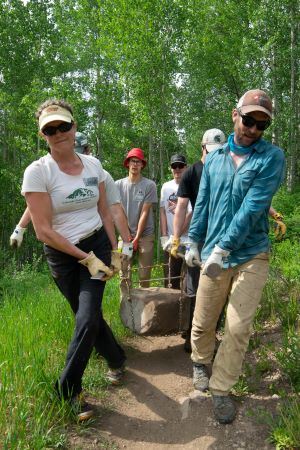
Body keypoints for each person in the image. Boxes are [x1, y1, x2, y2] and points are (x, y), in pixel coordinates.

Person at [21, 99, 132, 422]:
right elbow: (43, 231)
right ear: (43, 135)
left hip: (95, 243)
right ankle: (116, 357)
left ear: (74, 125)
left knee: (86, 319)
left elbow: (104, 210)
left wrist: (114, 250)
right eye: (50, 129)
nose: (58, 133)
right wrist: (87, 260)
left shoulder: (93, 166)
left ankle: (68, 391)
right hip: (64, 256)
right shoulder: (37, 173)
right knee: (87, 316)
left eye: (63, 126)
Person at [184, 89, 285, 424]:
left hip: (251, 253)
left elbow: (254, 206)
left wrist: (224, 247)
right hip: (212, 250)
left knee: (238, 326)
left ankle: (222, 388)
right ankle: (200, 361)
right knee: (203, 320)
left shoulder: (271, 158)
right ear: (234, 114)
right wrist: (194, 242)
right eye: (248, 119)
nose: (253, 128)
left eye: (261, 124)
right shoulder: (213, 159)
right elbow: (204, 205)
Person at [10, 132, 132, 250]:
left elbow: (115, 210)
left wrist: (126, 244)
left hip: (96, 238)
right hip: (61, 243)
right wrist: (20, 228)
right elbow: (36, 205)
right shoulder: (50, 173)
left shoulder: (101, 174)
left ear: (88, 150)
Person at [170, 129, 226, 352]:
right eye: (210, 151)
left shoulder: (227, 169)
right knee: (193, 286)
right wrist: (176, 238)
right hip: (199, 237)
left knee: (218, 285)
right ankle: (191, 335)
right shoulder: (192, 172)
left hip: (221, 236)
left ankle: (211, 333)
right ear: (202, 148)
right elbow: (182, 206)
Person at [115, 148, 157, 290]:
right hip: (125, 235)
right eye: (132, 161)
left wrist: (137, 237)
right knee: (124, 274)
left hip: (145, 235)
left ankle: (144, 308)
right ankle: (126, 307)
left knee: (144, 275)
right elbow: (118, 211)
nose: (135, 165)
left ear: (142, 165)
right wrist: (127, 236)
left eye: (138, 162)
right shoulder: (118, 185)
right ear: (128, 163)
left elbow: (145, 212)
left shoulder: (149, 185)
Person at [160, 154, 191, 289]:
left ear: (186, 167)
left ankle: (187, 309)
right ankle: (170, 309)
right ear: (171, 168)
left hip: (188, 240)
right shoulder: (166, 187)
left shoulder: (191, 185)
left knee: (188, 281)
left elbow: (190, 213)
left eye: (180, 166)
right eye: (174, 166)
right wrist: (164, 235)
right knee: (170, 280)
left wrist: (177, 236)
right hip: (170, 241)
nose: (177, 169)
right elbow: (162, 211)